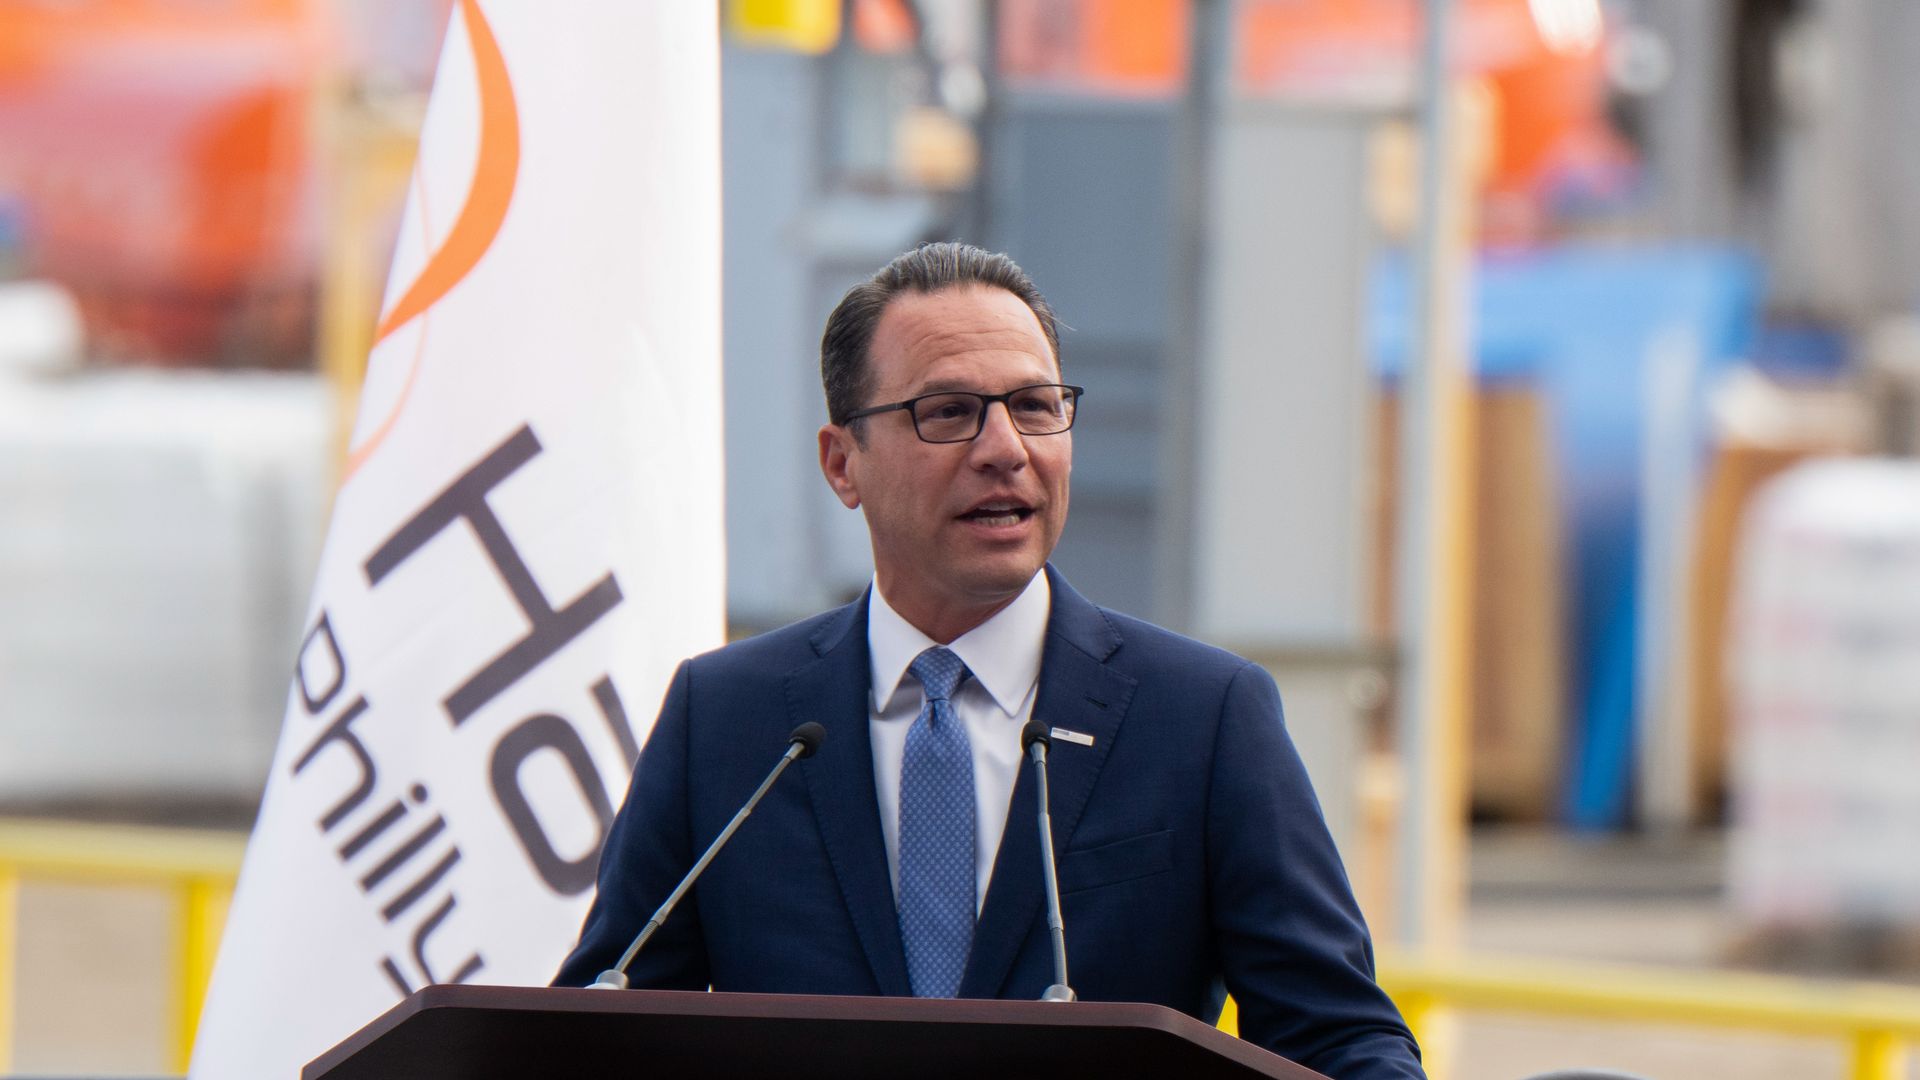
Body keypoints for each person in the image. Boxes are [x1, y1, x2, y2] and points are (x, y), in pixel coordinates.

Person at [556, 242, 1424, 1078]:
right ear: (841, 462)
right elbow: (607, 1023)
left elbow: (1339, 1039)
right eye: (948, 413)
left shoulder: (1201, 716)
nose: (1006, 448)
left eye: (1037, 406)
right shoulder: (729, 719)